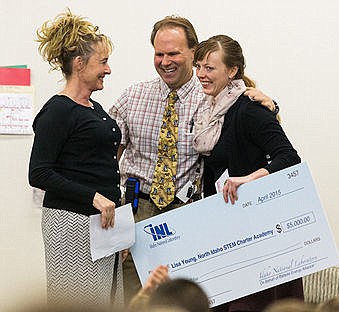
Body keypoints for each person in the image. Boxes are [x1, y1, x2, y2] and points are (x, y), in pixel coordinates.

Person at [109, 15, 277, 303]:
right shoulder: (132, 96)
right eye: (159, 54)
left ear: (193, 53)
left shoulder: (215, 96)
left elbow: (252, 131)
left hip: (188, 213)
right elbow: (106, 155)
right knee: (137, 299)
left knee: (186, 301)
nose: (165, 61)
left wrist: (272, 107)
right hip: (138, 212)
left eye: (173, 53)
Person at [192, 34, 302, 311]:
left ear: (232, 71)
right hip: (225, 230)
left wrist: (249, 179)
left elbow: (289, 158)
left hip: (258, 237)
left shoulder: (250, 109)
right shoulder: (207, 110)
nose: (201, 75)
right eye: (199, 67)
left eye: (210, 68)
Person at [29, 10, 123, 308]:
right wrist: (93, 196)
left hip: (102, 222)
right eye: (103, 62)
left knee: (107, 301)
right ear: (79, 64)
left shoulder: (94, 107)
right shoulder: (58, 110)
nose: (108, 69)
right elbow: (39, 173)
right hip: (71, 224)